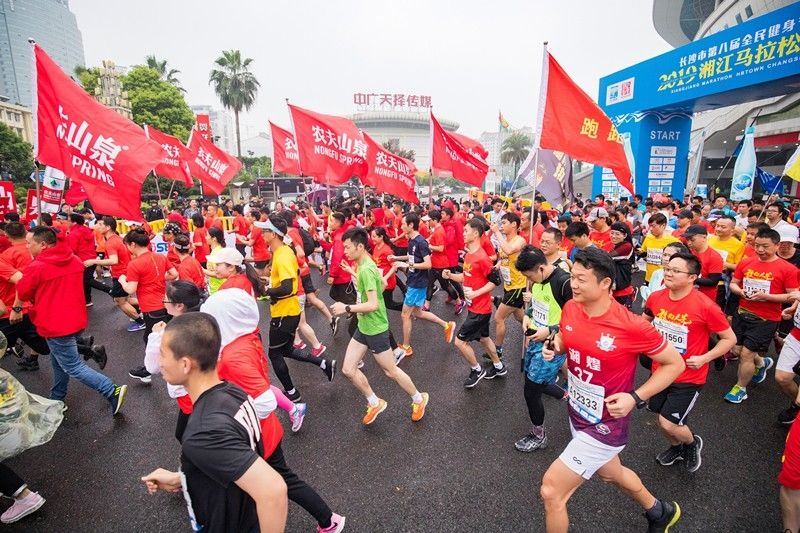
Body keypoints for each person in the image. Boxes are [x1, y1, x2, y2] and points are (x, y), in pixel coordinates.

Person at [539, 247, 685, 533]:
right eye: (572, 277)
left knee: (551, 491)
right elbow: (567, 340)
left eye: (581, 279)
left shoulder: (631, 325)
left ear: (605, 282)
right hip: (577, 411)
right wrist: (554, 347)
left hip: (607, 423)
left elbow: (674, 364)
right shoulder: (571, 308)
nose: (573, 284)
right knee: (611, 473)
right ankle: (659, 511)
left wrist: (635, 397)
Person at [201, 289, 345, 533]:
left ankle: (328, 520)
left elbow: (265, 400)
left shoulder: (233, 356)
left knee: (280, 481)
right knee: (277, 480)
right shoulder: (244, 338)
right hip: (262, 432)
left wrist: (233, 421)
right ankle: (327, 519)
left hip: (257, 437)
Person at [140, 313, 288, 533]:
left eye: (162, 354)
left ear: (185, 364)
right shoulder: (233, 392)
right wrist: (182, 479)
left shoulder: (203, 431)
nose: (159, 362)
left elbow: (273, 491)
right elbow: (232, 458)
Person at [17, 227, 127, 414]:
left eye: (30, 243)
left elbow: (23, 292)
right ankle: (57, 398)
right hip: (74, 320)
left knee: (72, 366)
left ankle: (111, 390)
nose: (27, 246)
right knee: (58, 361)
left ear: (43, 245)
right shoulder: (74, 260)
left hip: (55, 324)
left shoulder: (37, 267)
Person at [643, 253, 736, 472]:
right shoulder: (656, 297)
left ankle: (692, 443)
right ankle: (676, 448)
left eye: (676, 271)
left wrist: (705, 358)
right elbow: (645, 322)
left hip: (689, 376)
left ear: (692, 277)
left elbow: (729, 339)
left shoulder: (706, 306)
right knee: (660, 417)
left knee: (668, 422)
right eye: (667, 269)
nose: (668, 273)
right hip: (660, 371)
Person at [332, 227, 429, 425]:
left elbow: (373, 304)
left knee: (390, 371)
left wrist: (346, 308)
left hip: (376, 328)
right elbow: (382, 284)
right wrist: (352, 273)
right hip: (364, 326)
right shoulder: (364, 264)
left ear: (360, 247)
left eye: (348, 247)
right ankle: (374, 402)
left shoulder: (366, 269)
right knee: (348, 369)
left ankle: (419, 399)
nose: (345, 251)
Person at [260, 215, 336, 403]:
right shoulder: (282, 251)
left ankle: (292, 393)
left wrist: (267, 290)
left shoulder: (283, 255)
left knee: (274, 354)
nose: (261, 234)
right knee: (286, 350)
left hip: (285, 312)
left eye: (265, 231)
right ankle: (323, 363)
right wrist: (270, 282)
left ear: (274, 234)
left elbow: (287, 288)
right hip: (287, 310)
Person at [725, 228, 798, 404]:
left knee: (746, 354)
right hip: (742, 313)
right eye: (757, 245)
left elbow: (792, 296)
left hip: (766, 319)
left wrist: (767, 297)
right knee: (736, 350)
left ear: (777, 246)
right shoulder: (746, 262)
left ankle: (740, 388)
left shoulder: (788, 269)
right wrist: (740, 291)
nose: (760, 249)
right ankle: (762, 363)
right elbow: (734, 283)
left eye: (765, 246)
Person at [514, 246, 571, 452]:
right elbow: (536, 304)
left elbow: (577, 318)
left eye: (530, 276)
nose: (529, 280)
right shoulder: (538, 281)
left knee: (531, 391)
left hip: (552, 345)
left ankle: (539, 435)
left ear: (540, 268)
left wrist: (550, 330)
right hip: (534, 339)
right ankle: (566, 395)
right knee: (535, 379)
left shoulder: (564, 283)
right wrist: (527, 316)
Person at [442, 218, 506, 387]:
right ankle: (499, 367)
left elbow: (495, 281)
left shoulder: (482, 257)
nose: (463, 234)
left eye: (466, 231)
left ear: (476, 233)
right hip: (474, 307)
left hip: (481, 310)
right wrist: (450, 276)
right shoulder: (469, 255)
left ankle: (477, 370)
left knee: (460, 341)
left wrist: (476, 293)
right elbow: (466, 277)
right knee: (484, 339)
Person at [390, 213, 456, 357]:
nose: (401, 226)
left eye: (403, 224)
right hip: (414, 281)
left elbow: (428, 264)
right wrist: (397, 258)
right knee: (418, 313)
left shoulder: (420, 242)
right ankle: (447, 325)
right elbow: (413, 257)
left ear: (411, 225)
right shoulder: (412, 240)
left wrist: (407, 265)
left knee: (405, 315)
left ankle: (406, 347)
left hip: (417, 283)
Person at [120, 228, 178, 383]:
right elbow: (174, 274)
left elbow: (130, 289)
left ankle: (153, 370)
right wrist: (159, 278)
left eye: (127, 245)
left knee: (154, 339)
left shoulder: (135, 264)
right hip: (165, 304)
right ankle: (151, 369)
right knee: (158, 336)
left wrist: (122, 280)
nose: (128, 248)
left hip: (151, 308)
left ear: (133, 244)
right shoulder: (160, 256)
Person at [85, 216, 144, 331]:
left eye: (100, 224)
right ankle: (148, 310)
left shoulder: (111, 242)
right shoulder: (116, 238)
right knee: (125, 299)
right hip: (125, 272)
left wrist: (94, 261)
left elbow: (114, 261)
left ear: (108, 227)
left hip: (121, 275)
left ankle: (141, 322)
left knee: (119, 301)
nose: (97, 226)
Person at [490, 212, 527, 360]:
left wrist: (496, 232)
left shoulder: (520, 240)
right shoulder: (505, 240)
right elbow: (504, 257)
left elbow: (509, 250)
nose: (501, 226)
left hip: (518, 286)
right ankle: (534, 332)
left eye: (504, 223)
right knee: (519, 317)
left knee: (499, 318)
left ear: (514, 224)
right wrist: (497, 266)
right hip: (508, 285)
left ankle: (497, 350)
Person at [684, 224, 723, 302]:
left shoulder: (714, 257)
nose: (689, 243)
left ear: (704, 238)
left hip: (705, 298)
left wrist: (687, 277)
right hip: (689, 294)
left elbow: (713, 282)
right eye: (687, 240)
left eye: (692, 240)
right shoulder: (690, 252)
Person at [66, 213, 97, 306]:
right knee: (86, 281)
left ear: (74, 222)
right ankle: (87, 300)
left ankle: (108, 290)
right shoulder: (88, 230)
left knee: (85, 281)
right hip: (92, 257)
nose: (67, 222)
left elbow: (72, 250)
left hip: (81, 260)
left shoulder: (74, 234)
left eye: (68, 220)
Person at [638, 213, 678, 284]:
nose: (650, 229)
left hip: (663, 278)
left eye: (653, 226)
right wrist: (639, 252)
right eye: (649, 226)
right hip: (649, 277)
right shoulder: (648, 237)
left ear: (663, 225)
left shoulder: (673, 241)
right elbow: (643, 251)